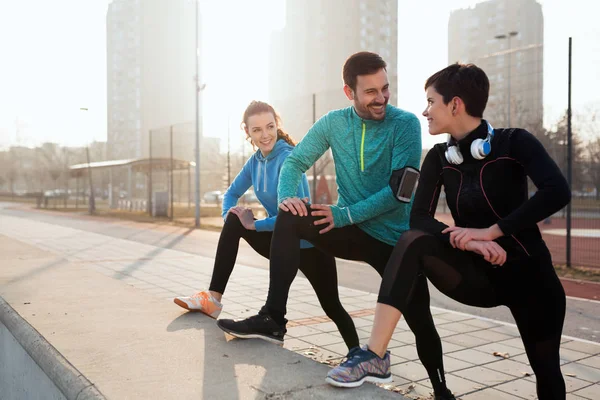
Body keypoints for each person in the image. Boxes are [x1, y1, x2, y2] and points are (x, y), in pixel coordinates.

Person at [217, 53, 456, 399]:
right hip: (353, 233)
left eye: (385, 88)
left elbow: (399, 194)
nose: (381, 97)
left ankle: (441, 389)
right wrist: (288, 198)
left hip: (392, 240)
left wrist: (343, 214)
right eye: (371, 91)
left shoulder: (404, 124)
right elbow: (295, 161)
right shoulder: (333, 123)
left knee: (420, 316)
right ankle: (273, 318)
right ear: (350, 92)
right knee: (291, 216)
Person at [333, 63, 570, 400]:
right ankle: (374, 354)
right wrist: (469, 241)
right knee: (412, 240)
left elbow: (557, 191)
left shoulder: (515, 142)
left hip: (530, 278)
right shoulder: (439, 157)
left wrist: (492, 232)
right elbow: (419, 218)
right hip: (477, 276)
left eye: (431, 102)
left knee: (547, 371)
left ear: (455, 104)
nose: (425, 111)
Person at [174, 100, 359, 350]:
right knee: (234, 217)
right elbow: (230, 195)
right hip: (281, 245)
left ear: (277, 125)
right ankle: (213, 299)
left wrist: (255, 226)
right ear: (247, 132)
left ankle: (359, 352)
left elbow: (295, 216)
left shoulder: (289, 159)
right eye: (257, 129)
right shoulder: (255, 162)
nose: (265, 135)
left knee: (332, 306)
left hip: (310, 246)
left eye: (269, 127)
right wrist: (235, 217)